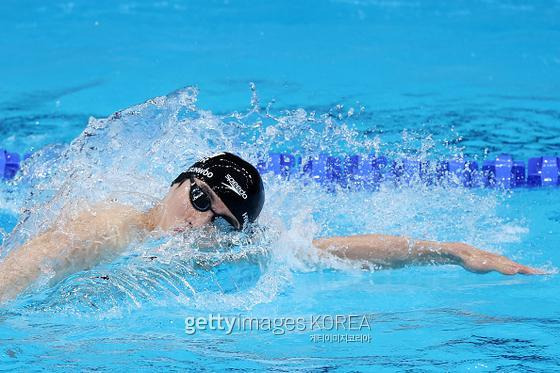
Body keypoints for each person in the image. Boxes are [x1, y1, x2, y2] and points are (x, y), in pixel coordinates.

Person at [0, 152, 545, 304]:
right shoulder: (113, 228)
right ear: (176, 183)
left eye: (221, 220)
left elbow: (321, 251)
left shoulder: (210, 249)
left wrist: (447, 250)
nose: (199, 221)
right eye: (197, 198)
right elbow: (27, 263)